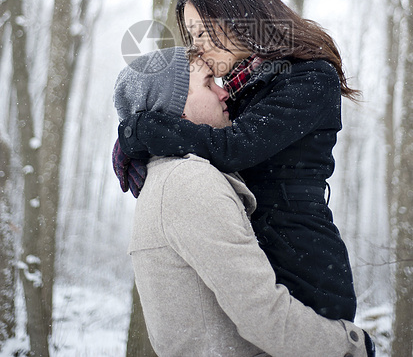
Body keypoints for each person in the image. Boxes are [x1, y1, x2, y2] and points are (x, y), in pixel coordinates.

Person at [115, 0, 359, 323]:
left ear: (239, 17)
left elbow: (234, 148)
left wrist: (142, 130)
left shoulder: (309, 77)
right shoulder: (242, 86)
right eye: (191, 36)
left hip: (303, 266)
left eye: (202, 33)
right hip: (258, 257)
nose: (196, 48)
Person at [113, 47, 375, 357]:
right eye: (209, 82)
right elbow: (264, 316)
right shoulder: (190, 181)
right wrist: (351, 343)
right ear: (176, 108)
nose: (223, 93)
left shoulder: (163, 179)